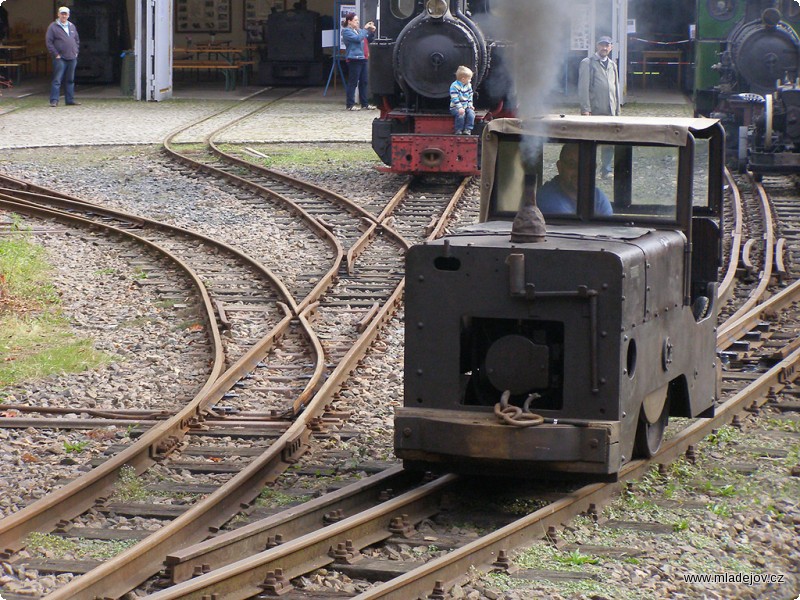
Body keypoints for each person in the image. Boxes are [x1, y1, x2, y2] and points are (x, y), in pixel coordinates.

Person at [578, 35, 621, 177]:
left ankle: (606, 170)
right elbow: (583, 88)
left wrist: (618, 111)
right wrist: (585, 109)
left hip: (610, 110)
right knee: (591, 141)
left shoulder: (613, 65)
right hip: (594, 110)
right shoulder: (587, 63)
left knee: (609, 142)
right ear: (597, 46)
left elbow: (616, 88)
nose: (604, 48)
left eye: (607, 45)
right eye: (602, 45)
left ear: (611, 47)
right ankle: (588, 170)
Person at [537, 144, 613, 216]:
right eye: (572, 165)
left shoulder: (598, 198)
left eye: (585, 165)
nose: (579, 171)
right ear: (560, 167)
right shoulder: (547, 200)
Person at [46, 6, 80, 107]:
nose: (64, 15)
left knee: (70, 80)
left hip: (72, 57)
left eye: (66, 14)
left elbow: (77, 40)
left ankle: (69, 100)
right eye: (62, 13)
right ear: (58, 14)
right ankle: (54, 100)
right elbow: (49, 42)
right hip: (60, 58)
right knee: (57, 80)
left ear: (68, 15)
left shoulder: (72, 26)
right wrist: (55, 54)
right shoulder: (53, 27)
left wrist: (76, 51)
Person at [341, 12, 376, 111]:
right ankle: (350, 104)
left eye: (357, 20)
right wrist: (365, 29)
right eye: (355, 20)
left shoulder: (358, 31)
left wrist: (371, 32)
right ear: (349, 22)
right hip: (354, 59)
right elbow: (357, 39)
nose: (357, 22)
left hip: (362, 58)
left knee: (364, 82)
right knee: (353, 82)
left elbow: (367, 39)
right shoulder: (347, 32)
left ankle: (364, 103)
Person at [449, 65, 475, 135]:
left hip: (466, 106)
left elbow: (470, 95)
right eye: (469, 79)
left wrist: (470, 105)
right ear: (463, 79)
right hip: (455, 107)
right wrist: (460, 107)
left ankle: (468, 129)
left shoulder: (469, 85)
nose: (470, 80)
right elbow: (454, 98)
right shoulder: (454, 86)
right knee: (461, 114)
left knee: (471, 113)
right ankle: (458, 129)